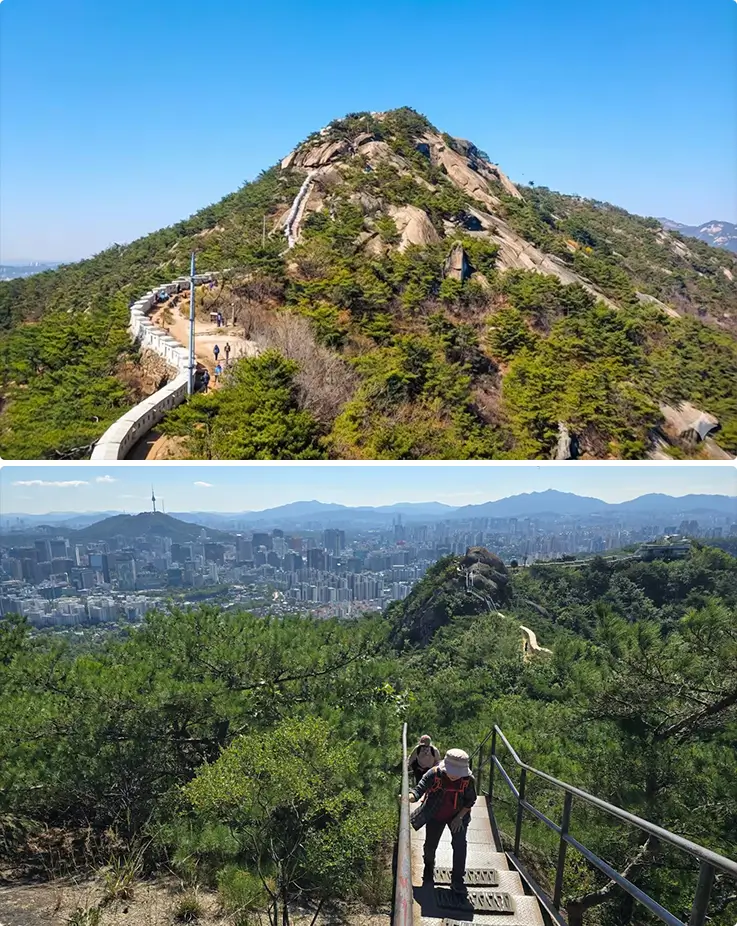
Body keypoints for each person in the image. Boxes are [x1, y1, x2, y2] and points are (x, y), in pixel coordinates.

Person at [409, 748, 476, 893]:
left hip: (458, 816)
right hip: (435, 814)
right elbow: (420, 788)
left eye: (458, 773)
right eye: (452, 772)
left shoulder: (468, 780)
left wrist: (459, 817)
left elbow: (471, 800)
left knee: (460, 846)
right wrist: (411, 797)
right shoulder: (434, 774)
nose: (454, 776)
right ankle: (428, 871)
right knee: (430, 846)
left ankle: (457, 880)